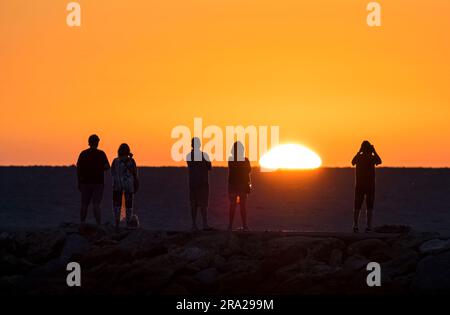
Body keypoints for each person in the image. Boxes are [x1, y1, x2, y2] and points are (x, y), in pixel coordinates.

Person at [76, 134, 110, 228]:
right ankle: (99, 224)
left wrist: (79, 182)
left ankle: (82, 223)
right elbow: (107, 167)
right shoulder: (101, 154)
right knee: (96, 204)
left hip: (85, 182)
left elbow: (78, 168)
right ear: (97, 142)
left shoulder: (83, 153)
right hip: (98, 182)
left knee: (84, 204)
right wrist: (99, 168)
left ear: (89, 142)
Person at [351, 140, 382, 233]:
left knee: (357, 206)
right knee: (370, 207)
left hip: (359, 185)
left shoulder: (359, 157)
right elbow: (379, 161)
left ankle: (355, 225)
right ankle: (368, 226)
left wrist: (359, 151)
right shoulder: (372, 158)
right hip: (370, 186)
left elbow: (353, 162)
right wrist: (374, 151)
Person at [186, 137, 212, 231]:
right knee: (203, 205)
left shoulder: (189, 156)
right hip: (202, 184)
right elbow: (209, 167)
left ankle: (194, 224)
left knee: (194, 205)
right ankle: (204, 224)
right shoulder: (204, 155)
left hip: (193, 183)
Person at [111, 143, 138, 230]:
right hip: (129, 185)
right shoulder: (131, 161)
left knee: (117, 204)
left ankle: (117, 223)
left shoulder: (115, 161)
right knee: (129, 205)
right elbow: (135, 173)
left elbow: (112, 172)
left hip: (117, 184)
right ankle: (128, 223)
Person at [228, 141, 252, 231]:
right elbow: (248, 171)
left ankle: (230, 226)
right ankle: (244, 225)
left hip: (233, 185)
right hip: (241, 185)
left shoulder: (231, 159)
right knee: (242, 206)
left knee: (233, 206)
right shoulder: (245, 160)